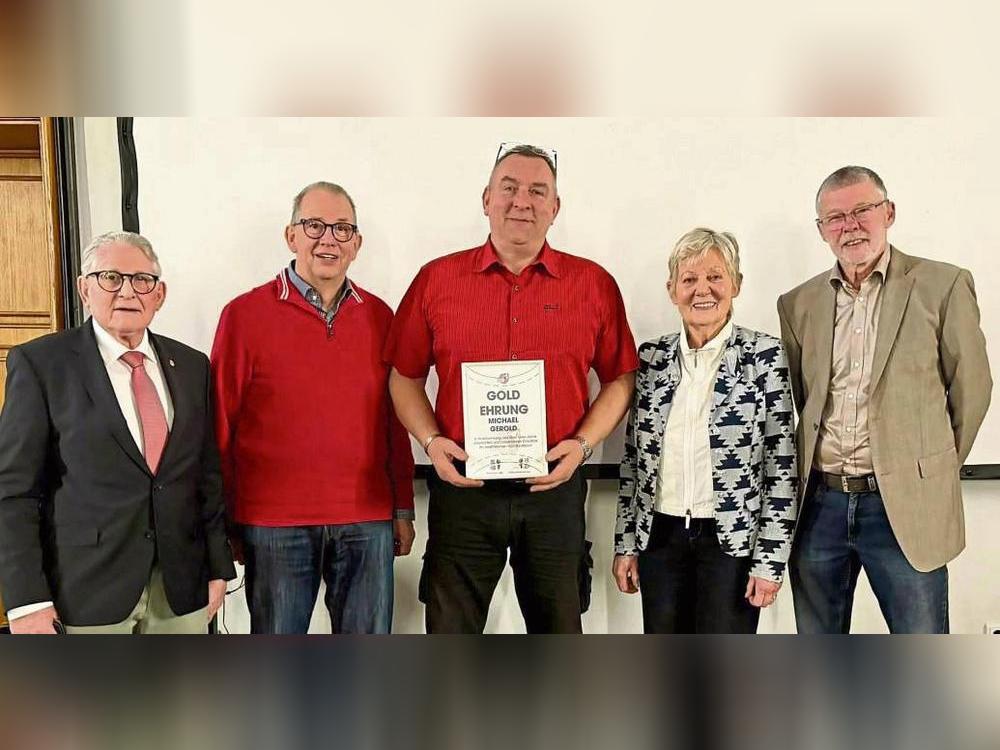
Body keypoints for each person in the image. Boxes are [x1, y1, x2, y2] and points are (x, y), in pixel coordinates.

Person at [385, 142, 638, 634]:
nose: (522, 201)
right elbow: (404, 376)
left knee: (559, 634)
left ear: (555, 207)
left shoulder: (594, 285)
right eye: (509, 188)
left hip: (554, 490)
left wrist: (583, 447)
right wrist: (432, 443)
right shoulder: (436, 280)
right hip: (462, 491)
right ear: (486, 199)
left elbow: (620, 379)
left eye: (538, 191)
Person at [777, 166, 992, 633]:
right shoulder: (797, 303)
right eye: (835, 217)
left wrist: (929, 469)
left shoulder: (943, 285)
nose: (849, 225)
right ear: (821, 231)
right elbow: (804, 397)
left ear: (889, 212)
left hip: (904, 508)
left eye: (862, 210)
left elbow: (972, 388)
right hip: (820, 505)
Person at [0, 231, 235, 634]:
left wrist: (218, 568)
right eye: (111, 277)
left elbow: (206, 476)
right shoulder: (42, 364)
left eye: (142, 280)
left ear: (159, 295)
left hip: (180, 591)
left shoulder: (192, 366)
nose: (128, 290)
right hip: (86, 593)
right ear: (84, 289)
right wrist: (26, 601)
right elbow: (15, 492)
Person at [211, 182, 415, 634]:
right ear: (291, 236)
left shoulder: (381, 317)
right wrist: (223, 520)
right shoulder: (243, 315)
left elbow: (394, 422)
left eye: (343, 229)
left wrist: (402, 506)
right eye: (315, 225)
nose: (329, 239)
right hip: (273, 524)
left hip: (366, 519)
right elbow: (220, 425)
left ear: (357, 244)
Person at [613, 228, 798, 633]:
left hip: (730, 541)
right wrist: (626, 544)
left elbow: (782, 465)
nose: (703, 290)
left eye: (716, 277)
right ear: (671, 289)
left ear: (736, 284)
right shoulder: (651, 358)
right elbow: (633, 461)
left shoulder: (763, 356)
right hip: (660, 538)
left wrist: (770, 559)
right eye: (689, 279)